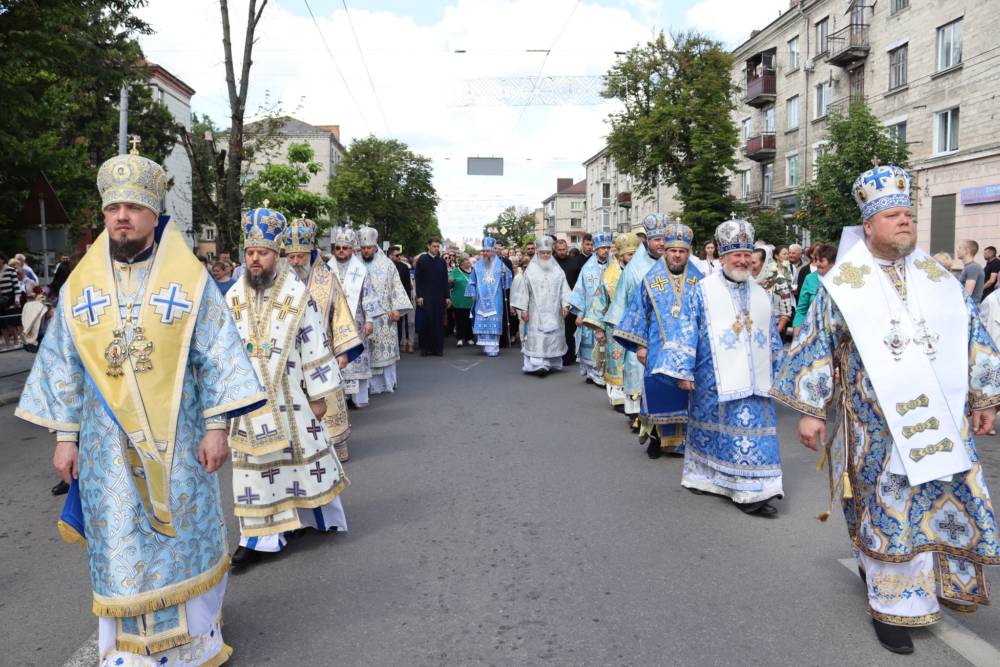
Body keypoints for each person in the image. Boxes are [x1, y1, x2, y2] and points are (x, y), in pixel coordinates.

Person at [16, 149, 266, 665]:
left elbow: (216, 356)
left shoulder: (189, 280)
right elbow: (64, 364)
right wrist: (65, 438)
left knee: (181, 538)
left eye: (132, 207)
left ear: (154, 214)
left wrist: (217, 426)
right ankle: (125, 652)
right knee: (120, 546)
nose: (122, 217)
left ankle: (193, 644)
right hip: (105, 448)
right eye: (113, 208)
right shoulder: (81, 284)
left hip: (179, 439)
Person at [772, 165, 1000, 654]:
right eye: (893, 215)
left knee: (939, 498)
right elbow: (815, 345)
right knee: (889, 508)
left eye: (908, 214)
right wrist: (811, 409)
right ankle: (892, 604)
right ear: (869, 225)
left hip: (945, 421)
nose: (905, 221)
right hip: (877, 428)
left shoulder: (939, 279)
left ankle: (934, 584)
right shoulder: (843, 284)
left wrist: (986, 399)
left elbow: (975, 338)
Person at [225, 206, 348, 570]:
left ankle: (308, 517)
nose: (255, 259)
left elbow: (313, 343)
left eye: (262, 252)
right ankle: (257, 539)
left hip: (293, 396)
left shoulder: (296, 294)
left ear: (276, 254)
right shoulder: (233, 296)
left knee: (302, 460)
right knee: (256, 470)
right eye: (250, 252)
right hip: (249, 402)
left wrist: (320, 396)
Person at [663, 218, 785, 516]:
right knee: (713, 433)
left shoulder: (761, 293)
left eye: (747, 255)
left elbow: (771, 337)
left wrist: (782, 373)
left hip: (757, 379)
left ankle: (752, 491)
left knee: (749, 433)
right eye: (737, 255)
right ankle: (704, 477)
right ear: (723, 257)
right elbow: (686, 329)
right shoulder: (702, 290)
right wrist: (683, 370)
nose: (743, 260)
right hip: (711, 377)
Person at [614, 223, 703, 458]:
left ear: (689, 252)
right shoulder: (651, 279)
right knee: (656, 391)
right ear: (666, 252)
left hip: (690, 351)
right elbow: (638, 312)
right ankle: (655, 439)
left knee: (686, 396)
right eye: (673, 250)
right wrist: (640, 346)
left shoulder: (700, 280)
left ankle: (684, 443)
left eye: (682, 251)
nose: (677, 255)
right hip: (656, 347)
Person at [284, 216, 364, 463]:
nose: (295, 262)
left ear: (310, 253)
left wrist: (343, 351)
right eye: (290, 256)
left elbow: (340, 314)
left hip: (323, 351)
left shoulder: (327, 279)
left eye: (300, 256)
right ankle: (300, 447)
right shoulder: (280, 280)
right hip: (289, 354)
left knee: (327, 398)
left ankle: (336, 443)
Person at [604, 214, 668, 432]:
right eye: (657, 239)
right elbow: (621, 302)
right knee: (637, 369)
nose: (661, 243)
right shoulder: (634, 269)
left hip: (669, 332)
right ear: (647, 241)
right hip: (642, 331)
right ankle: (637, 414)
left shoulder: (676, 263)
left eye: (664, 239)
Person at [329, 227, 384, 407]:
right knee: (336, 357)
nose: (341, 251)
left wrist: (369, 320)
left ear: (352, 250)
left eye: (345, 248)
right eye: (338, 248)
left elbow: (368, 296)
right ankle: (340, 398)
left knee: (355, 358)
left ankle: (357, 399)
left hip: (356, 321)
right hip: (333, 322)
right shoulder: (327, 268)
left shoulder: (360, 269)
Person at [583, 233, 639, 411]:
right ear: (621, 255)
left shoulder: (641, 273)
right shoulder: (609, 276)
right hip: (614, 327)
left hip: (636, 327)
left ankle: (635, 397)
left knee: (634, 363)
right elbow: (599, 302)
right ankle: (618, 398)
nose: (633, 258)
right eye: (629, 254)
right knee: (615, 362)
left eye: (635, 254)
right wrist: (598, 329)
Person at [358, 227, 412, 395]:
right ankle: (365, 387)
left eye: (369, 247)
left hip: (384, 317)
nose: (366, 251)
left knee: (383, 352)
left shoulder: (387, 264)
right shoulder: (355, 264)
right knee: (365, 352)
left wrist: (397, 308)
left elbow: (396, 286)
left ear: (375, 247)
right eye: (363, 248)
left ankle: (386, 384)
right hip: (361, 316)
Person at [511, 236, 572, 376]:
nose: (545, 255)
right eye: (542, 253)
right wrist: (524, 309)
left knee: (551, 336)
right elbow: (524, 291)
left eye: (548, 253)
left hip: (554, 310)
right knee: (539, 337)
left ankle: (551, 362)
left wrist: (565, 305)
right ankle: (538, 364)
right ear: (537, 253)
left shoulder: (557, 270)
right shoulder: (530, 270)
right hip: (536, 311)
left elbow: (564, 289)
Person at [568, 231, 612, 385]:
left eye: (608, 248)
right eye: (603, 248)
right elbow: (580, 292)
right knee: (590, 343)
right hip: (589, 313)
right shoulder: (587, 268)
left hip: (609, 313)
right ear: (596, 249)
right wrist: (580, 314)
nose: (605, 251)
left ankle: (604, 373)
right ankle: (592, 373)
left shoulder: (613, 266)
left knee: (606, 342)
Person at [466, 237, 513, 356]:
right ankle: (486, 346)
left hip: (496, 299)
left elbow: (507, 282)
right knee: (483, 321)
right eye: (484, 251)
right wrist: (472, 294)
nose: (486, 253)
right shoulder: (477, 265)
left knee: (494, 320)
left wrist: (505, 273)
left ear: (493, 251)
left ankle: (493, 348)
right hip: (481, 299)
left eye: (488, 251)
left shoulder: (500, 264)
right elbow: (471, 281)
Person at [791, 242, 837, 336]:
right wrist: (796, 334)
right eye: (816, 260)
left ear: (833, 262)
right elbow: (801, 310)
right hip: (813, 334)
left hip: (837, 333)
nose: (817, 263)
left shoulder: (841, 280)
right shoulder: (810, 278)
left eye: (821, 261)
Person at [415, 237, 450, 356]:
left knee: (438, 322)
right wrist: (419, 296)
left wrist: (447, 296)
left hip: (439, 296)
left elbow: (445, 280)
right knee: (426, 322)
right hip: (426, 296)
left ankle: (437, 349)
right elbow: (418, 279)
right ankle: (425, 348)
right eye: (434, 246)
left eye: (437, 246)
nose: (436, 248)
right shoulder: (422, 260)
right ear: (428, 246)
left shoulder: (441, 262)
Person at [751, 247, 795, 338]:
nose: (750, 266)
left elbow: (786, 312)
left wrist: (776, 333)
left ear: (764, 263)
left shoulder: (778, 280)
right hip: (753, 331)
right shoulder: (748, 280)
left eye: (754, 263)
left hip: (773, 330)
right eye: (750, 262)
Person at [554, 238, 584, 366]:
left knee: (569, 330)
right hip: (555, 301)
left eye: (564, 249)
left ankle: (569, 356)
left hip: (572, 301)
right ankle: (556, 355)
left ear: (567, 249)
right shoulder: (552, 262)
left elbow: (580, 282)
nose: (562, 252)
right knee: (557, 330)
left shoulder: (574, 262)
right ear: (555, 250)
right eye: (559, 250)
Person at [390, 246, 414, 352]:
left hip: (400, 298)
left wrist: (407, 300)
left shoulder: (404, 267)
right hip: (388, 299)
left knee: (401, 322)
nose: (399, 257)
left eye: (400, 255)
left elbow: (407, 285)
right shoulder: (385, 266)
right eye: (397, 255)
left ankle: (400, 343)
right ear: (390, 255)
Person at [449, 255, 475, 346]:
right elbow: (449, 282)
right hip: (459, 299)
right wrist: (450, 281)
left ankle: (469, 337)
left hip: (472, 299)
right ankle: (460, 338)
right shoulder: (455, 271)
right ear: (461, 263)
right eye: (466, 260)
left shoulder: (474, 270)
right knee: (460, 319)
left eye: (468, 260)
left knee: (469, 319)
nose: (468, 262)